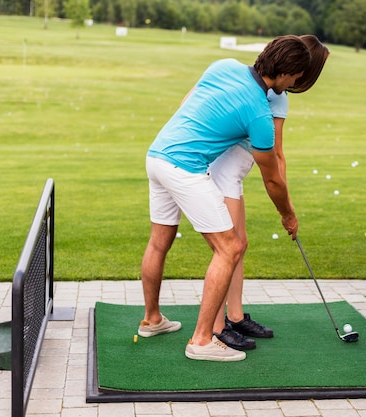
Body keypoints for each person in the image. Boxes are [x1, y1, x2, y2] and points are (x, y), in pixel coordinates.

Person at [138, 35, 311, 362]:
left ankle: (152, 320)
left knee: (160, 241)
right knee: (230, 247)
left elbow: (186, 103)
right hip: (184, 168)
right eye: (296, 78)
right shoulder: (260, 115)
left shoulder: (223, 66)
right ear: (287, 73)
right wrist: (288, 214)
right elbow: (272, 178)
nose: (295, 84)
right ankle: (202, 340)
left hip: (157, 155)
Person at [209, 35, 330, 350]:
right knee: (230, 248)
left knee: (239, 244)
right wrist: (286, 210)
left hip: (230, 173)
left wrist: (285, 203)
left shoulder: (274, 90)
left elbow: (277, 156)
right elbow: (276, 157)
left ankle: (234, 316)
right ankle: (218, 327)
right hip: (223, 172)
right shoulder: (276, 95)